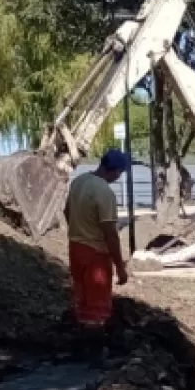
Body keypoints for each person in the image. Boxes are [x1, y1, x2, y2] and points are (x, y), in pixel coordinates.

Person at [65, 149, 131, 362]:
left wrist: (80, 229)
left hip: (76, 248)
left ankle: (81, 349)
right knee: (97, 304)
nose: (119, 177)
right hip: (96, 254)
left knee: (82, 298)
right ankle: (94, 356)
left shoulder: (79, 182)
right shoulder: (104, 192)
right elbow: (110, 233)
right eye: (120, 173)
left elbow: (67, 212)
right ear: (116, 171)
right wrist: (120, 266)